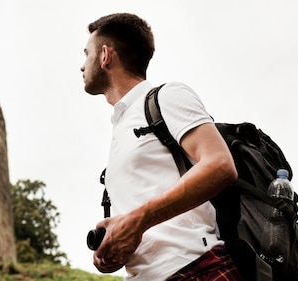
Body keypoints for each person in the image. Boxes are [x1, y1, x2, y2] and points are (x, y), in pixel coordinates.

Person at [80, 13, 244, 280]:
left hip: (196, 268)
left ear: (105, 55)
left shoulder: (167, 96)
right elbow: (144, 225)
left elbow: (220, 165)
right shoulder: (120, 127)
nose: (81, 66)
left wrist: (136, 221)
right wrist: (115, 241)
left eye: (86, 53)